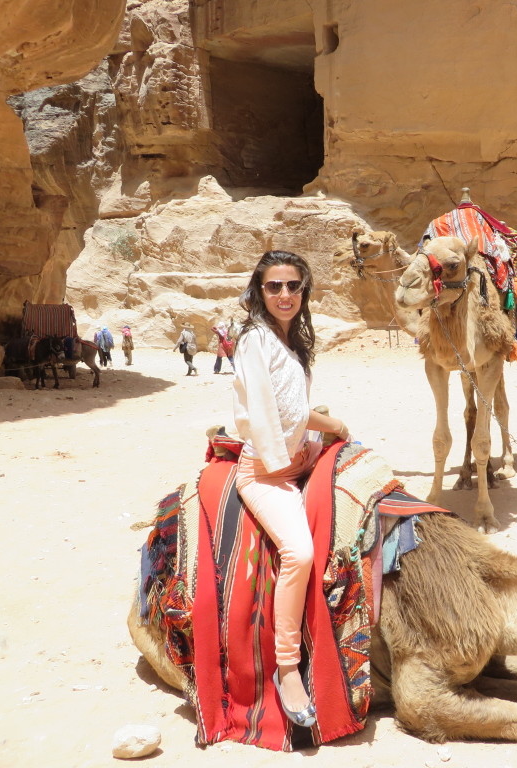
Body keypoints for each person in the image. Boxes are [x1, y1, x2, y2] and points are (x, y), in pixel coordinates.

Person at [232, 250, 350, 728]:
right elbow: (273, 417)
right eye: (274, 287)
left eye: (293, 286)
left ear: (304, 291)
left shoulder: (289, 341)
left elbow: (294, 407)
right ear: (259, 293)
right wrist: (333, 423)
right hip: (266, 470)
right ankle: (287, 668)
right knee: (299, 553)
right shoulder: (254, 342)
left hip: (300, 454)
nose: (284, 295)